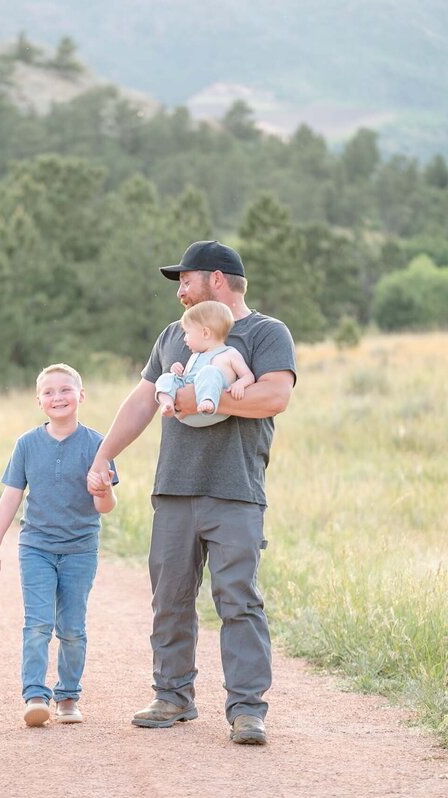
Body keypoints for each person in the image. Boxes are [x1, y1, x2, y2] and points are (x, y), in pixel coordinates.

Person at [87, 240, 296, 746]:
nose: (180, 289)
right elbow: (142, 401)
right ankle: (173, 696)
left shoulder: (265, 333)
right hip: (175, 487)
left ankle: (247, 710)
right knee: (170, 597)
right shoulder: (173, 336)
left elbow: (274, 396)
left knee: (238, 599)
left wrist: (189, 398)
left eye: (186, 278)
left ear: (217, 279)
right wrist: (103, 454)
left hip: (236, 490)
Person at [0, 364, 117, 727]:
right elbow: (9, 498)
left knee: (71, 627)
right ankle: (35, 695)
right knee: (37, 623)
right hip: (36, 545)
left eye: (66, 390)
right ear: (39, 401)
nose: (58, 397)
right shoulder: (26, 444)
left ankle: (68, 696)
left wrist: (101, 490)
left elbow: (106, 506)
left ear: (81, 396)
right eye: (49, 392)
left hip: (80, 548)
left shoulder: (99, 444)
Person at [154, 299, 254, 427]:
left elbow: (248, 376)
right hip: (186, 411)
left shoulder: (229, 354)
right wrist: (177, 372)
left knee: (209, 371)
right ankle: (167, 403)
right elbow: (186, 380)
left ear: (205, 333)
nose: (185, 338)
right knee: (166, 377)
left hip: (213, 409)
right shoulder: (195, 356)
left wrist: (240, 384)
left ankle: (207, 400)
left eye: (187, 333)